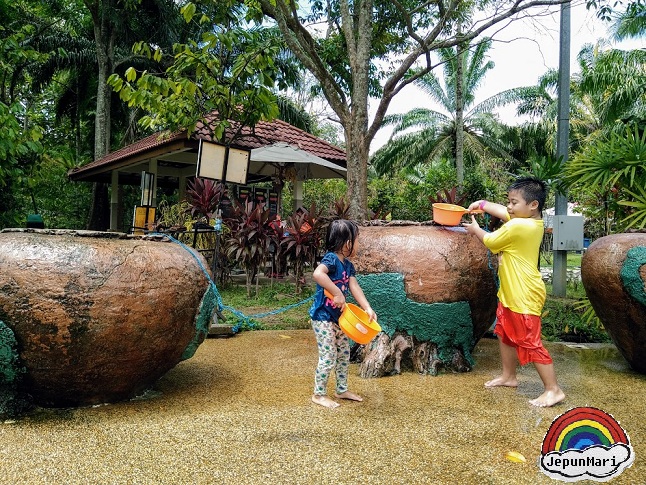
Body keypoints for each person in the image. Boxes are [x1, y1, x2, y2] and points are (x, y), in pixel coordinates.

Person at [463, 177, 565, 407]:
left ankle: (553, 389)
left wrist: (475, 229)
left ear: (533, 205)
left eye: (514, 202)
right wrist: (482, 204)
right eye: (508, 201)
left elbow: (490, 241)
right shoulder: (528, 220)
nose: (509, 207)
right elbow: (502, 212)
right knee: (505, 332)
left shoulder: (519, 226)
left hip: (523, 293)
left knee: (530, 340)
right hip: (511, 290)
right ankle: (509, 376)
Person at [308, 219, 377, 409]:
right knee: (329, 355)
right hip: (322, 318)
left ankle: (341, 389)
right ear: (347, 243)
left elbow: (354, 286)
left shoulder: (347, 265)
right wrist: (337, 293)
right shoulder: (330, 259)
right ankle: (319, 394)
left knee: (344, 354)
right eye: (357, 241)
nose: (358, 244)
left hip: (339, 318)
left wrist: (367, 308)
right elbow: (317, 274)